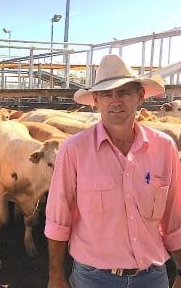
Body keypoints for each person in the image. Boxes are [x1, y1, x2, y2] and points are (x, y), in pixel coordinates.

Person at [45, 54, 181, 288]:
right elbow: (59, 216)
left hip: (152, 275)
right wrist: (56, 277)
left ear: (140, 96)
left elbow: (173, 217)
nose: (115, 100)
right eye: (107, 94)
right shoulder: (74, 150)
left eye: (124, 92)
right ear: (96, 100)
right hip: (94, 277)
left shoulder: (164, 147)